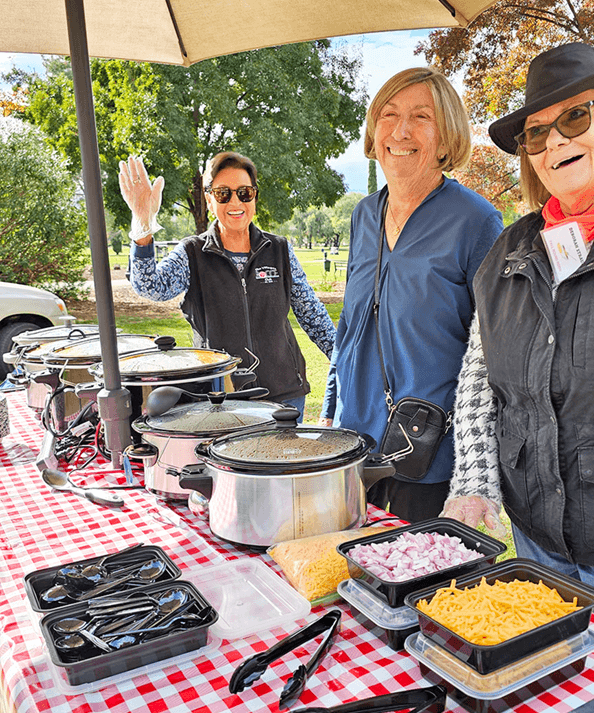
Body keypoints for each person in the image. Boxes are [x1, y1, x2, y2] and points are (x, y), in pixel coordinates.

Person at [319, 67, 503, 523]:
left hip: (429, 457)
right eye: (389, 114)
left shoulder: (476, 222)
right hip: (352, 447)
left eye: (421, 116)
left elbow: (495, 352)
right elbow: (352, 325)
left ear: (446, 140)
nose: (400, 130)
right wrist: (328, 409)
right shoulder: (364, 216)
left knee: (419, 586)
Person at [443, 42, 594, 582]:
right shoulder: (507, 252)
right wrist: (475, 482)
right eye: (536, 131)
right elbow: (481, 379)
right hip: (534, 536)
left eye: (576, 116)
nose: (555, 140)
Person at [118, 151, 336, 419]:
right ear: (209, 199)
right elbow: (150, 286)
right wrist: (142, 225)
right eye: (223, 193)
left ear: (254, 198)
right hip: (221, 396)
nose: (236, 201)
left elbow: (313, 315)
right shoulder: (192, 253)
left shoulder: (279, 250)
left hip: (285, 395)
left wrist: (345, 359)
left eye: (244, 193)